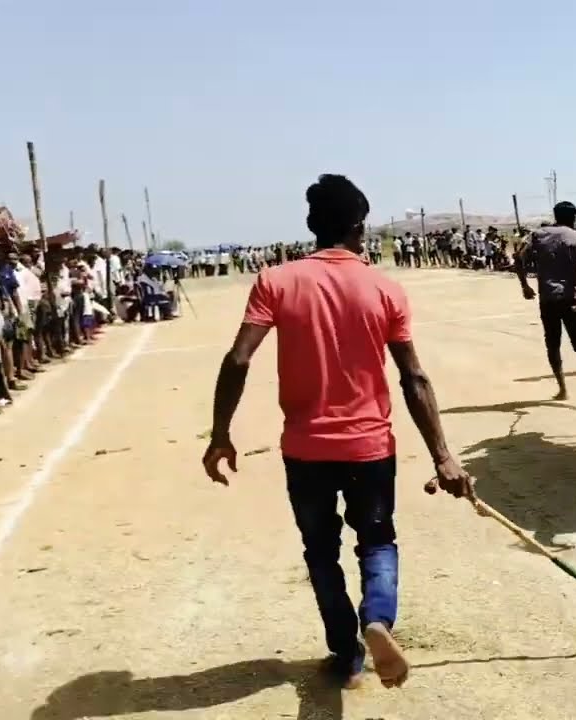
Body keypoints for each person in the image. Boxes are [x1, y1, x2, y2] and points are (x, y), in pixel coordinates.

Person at [201, 174, 475, 690]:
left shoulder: (276, 281)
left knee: (320, 551)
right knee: (376, 540)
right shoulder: (384, 287)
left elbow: (238, 358)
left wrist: (220, 434)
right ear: (360, 226)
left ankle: (346, 654)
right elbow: (413, 376)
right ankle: (377, 618)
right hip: (370, 447)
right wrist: (443, 455)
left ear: (310, 225)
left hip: (305, 451)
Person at [516, 201, 576, 401]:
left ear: (555, 216)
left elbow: (519, 259)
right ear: (574, 217)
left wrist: (525, 286)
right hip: (571, 298)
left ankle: (563, 389)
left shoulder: (537, 235)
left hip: (548, 298)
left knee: (553, 344)